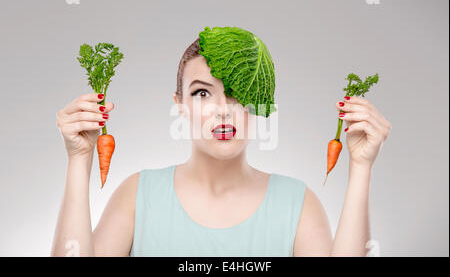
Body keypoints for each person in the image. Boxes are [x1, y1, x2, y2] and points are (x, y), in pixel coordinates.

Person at [51, 37, 391, 257]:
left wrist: (360, 167)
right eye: (202, 93)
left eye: (238, 92)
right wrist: (79, 159)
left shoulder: (297, 203)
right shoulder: (138, 194)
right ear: (180, 105)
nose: (223, 108)